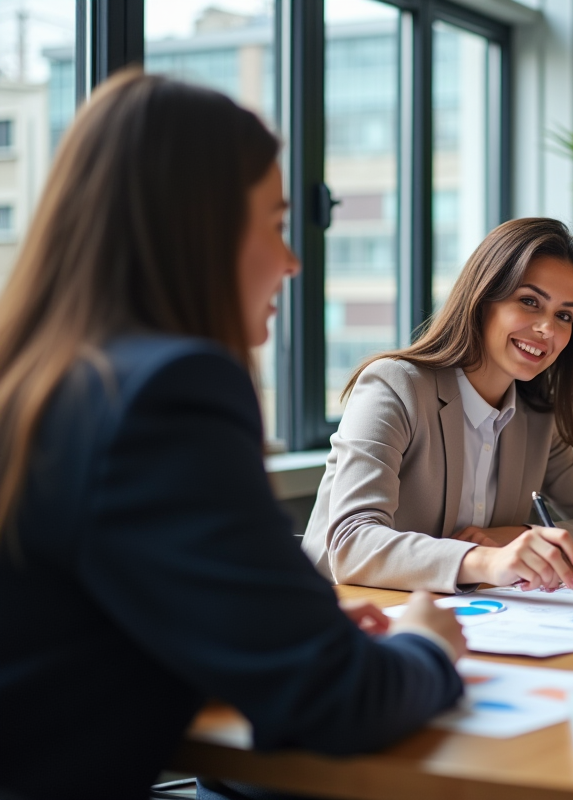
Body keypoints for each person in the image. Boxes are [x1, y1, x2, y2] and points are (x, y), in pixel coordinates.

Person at [0, 70, 466, 800]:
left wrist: (292, 624)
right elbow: (338, 699)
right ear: (200, 228)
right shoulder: (167, 393)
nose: (293, 261)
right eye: (277, 223)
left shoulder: (41, 382)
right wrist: (426, 646)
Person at [301, 217, 573, 595]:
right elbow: (349, 543)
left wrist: (513, 538)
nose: (548, 329)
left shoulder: (535, 420)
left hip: (465, 621)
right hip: (344, 616)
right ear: (482, 299)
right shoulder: (393, 387)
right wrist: (485, 560)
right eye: (529, 302)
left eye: (564, 315)